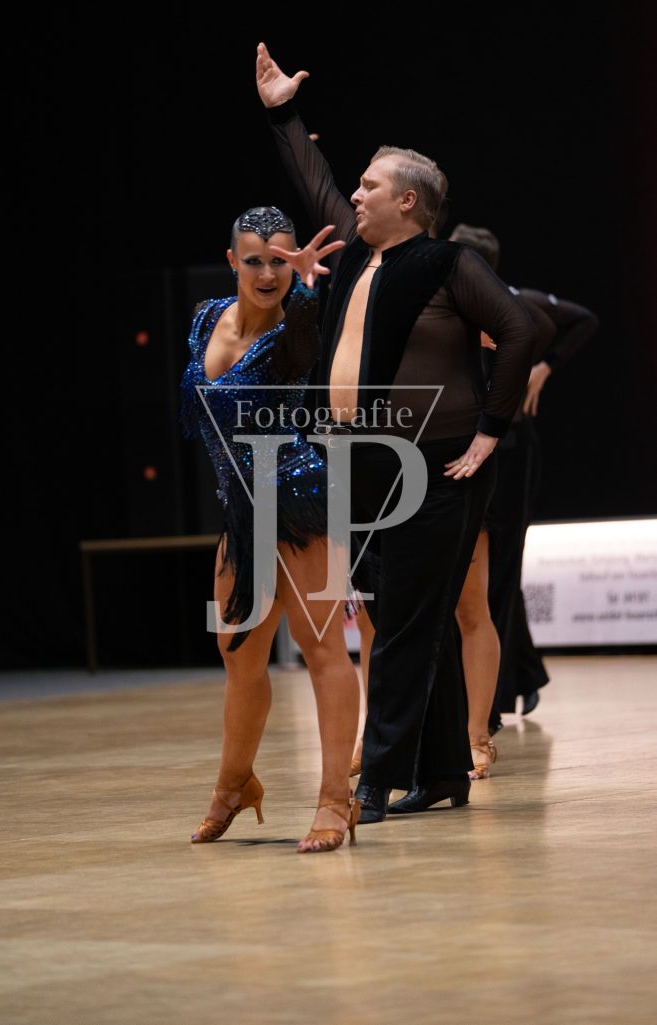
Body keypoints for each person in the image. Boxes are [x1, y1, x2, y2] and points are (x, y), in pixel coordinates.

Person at [256, 43, 537, 823]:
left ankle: (372, 781)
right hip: (366, 462)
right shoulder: (358, 257)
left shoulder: (445, 263)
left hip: (437, 466)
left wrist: (490, 430)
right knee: (408, 618)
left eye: (369, 185)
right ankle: (442, 771)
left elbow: (519, 329)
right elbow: (313, 180)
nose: (354, 194)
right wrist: (283, 113)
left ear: (406, 202)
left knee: (403, 627)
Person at [180, 206, 362, 854]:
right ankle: (233, 785)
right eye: (254, 260)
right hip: (238, 510)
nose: (267, 274)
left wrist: (308, 289)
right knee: (238, 655)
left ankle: (335, 799)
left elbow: (306, 348)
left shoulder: (295, 327)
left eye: (280, 261)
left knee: (321, 649)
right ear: (232, 260)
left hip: (298, 501)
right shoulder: (205, 317)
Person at [448, 224, 599, 728]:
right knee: (484, 571)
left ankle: (489, 700)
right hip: (473, 448)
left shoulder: (512, 306)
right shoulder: (456, 310)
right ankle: (523, 674)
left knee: (500, 567)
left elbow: (580, 320)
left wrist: (543, 367)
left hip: (511, 448)